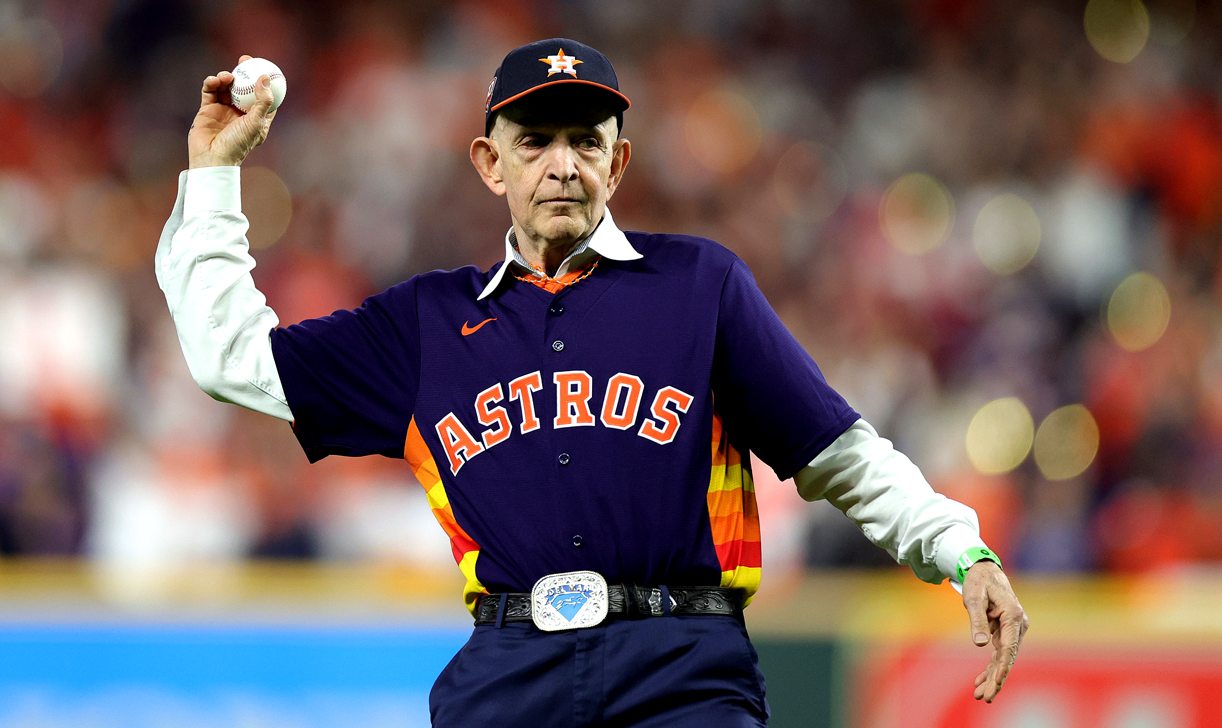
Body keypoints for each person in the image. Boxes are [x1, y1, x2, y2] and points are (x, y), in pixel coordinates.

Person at [158, 40, 1028, 726]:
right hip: (507, 672)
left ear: (618, 165)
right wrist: (215, 171)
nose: (562, 165)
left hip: (682, 670)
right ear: (490, 163)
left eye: (586, 142)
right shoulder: (425, 324)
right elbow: (231, 358)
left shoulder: (701, 286)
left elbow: (838, 453)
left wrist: (961, 551)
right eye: (535, 142)